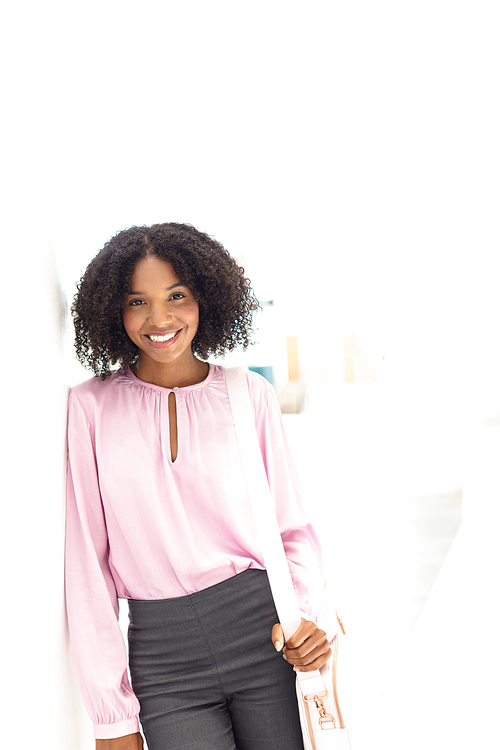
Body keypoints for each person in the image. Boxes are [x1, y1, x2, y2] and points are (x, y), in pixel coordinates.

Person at [66, 222, 338, 750]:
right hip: (163, 660)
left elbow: (293, 528)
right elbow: (87, 567)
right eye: (136, 301)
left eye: (176, 297)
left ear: (205, 300)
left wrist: (306, 612)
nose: (160, 318)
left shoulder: (249, 395)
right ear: (112, 311)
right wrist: (112, 716)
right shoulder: (89, 408)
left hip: (266, 638)